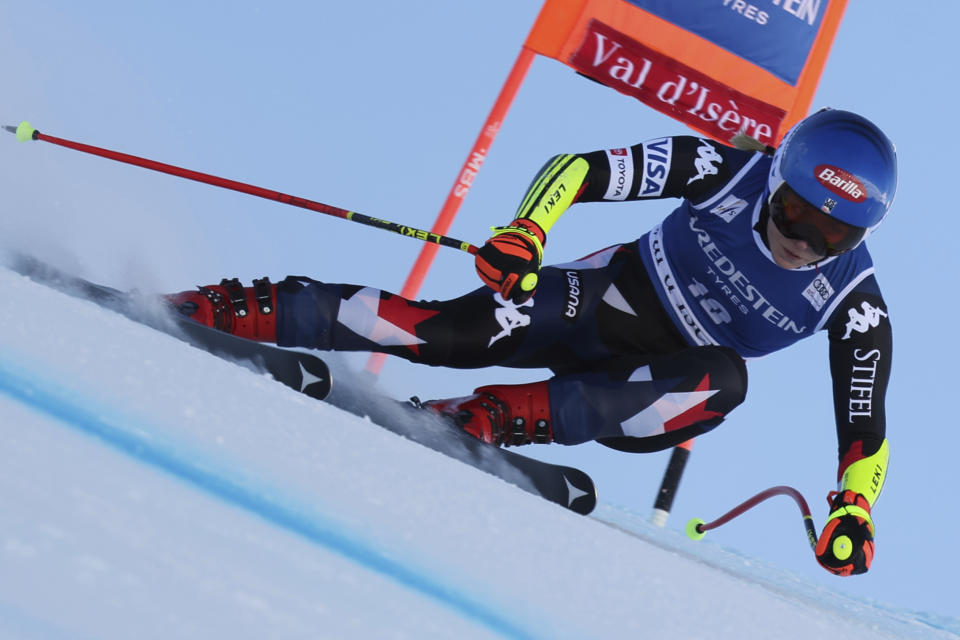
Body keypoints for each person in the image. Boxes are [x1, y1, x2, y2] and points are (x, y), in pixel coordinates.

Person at [168, 108, 896, 577]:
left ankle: (488, 416)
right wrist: (528, 229)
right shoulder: (729, 171)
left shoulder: (852, 299)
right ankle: (236, 308)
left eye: (834, 233)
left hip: (647, 391)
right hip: (598, 300)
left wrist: (854, 509)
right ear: (779, 181)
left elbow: (865, 426)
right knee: (443, 332)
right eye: (799, 212)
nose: (806, 240)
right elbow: (582, 170)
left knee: (724, 382)